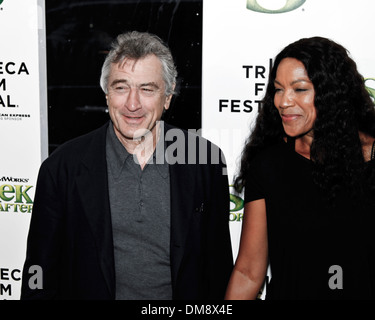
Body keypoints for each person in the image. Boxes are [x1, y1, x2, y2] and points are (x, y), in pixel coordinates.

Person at [21, 31, 233, 300]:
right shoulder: (62, 168)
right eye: (121, 87)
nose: (133, 104)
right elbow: (39, 269)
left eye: (147, 89)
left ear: (167, 97)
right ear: (106, 94)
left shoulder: (205, 162)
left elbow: (219, 269)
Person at [225, 36, 375, 300]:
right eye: (278, 89)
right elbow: (248, 272)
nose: (283, 101)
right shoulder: (269, 165)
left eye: (300, 89)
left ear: (333, 92)